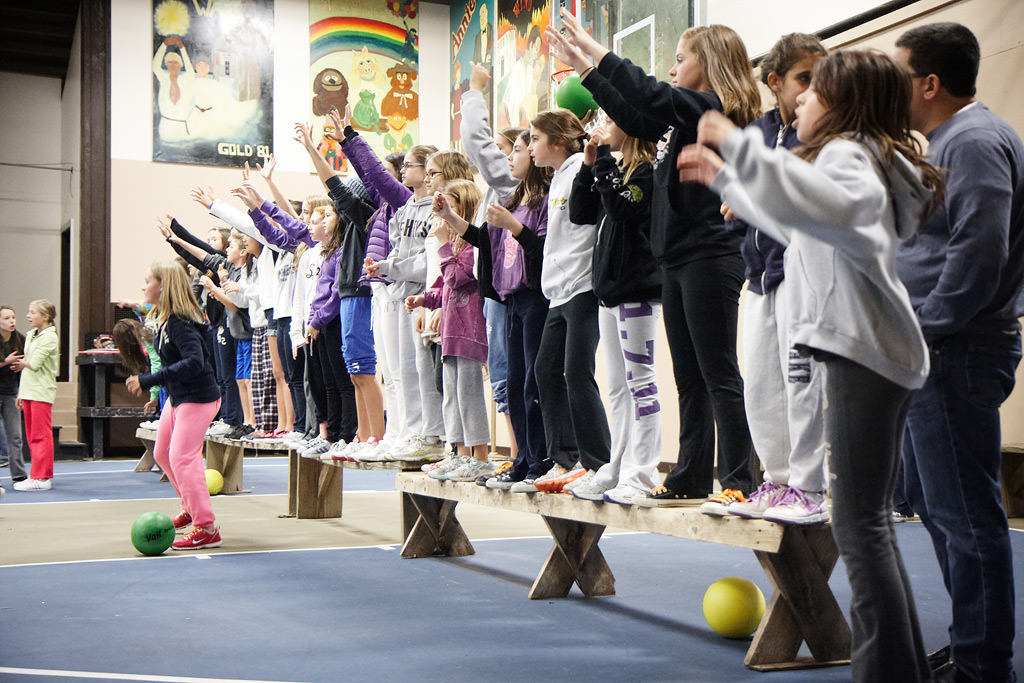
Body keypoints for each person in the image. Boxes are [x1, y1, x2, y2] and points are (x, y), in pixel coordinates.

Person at [678, 49, 943, 683]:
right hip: (876, 353)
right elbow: (804, 223)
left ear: (843, 106)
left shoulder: (850, 155)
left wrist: (740, 147)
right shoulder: (864, 159)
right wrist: (729, 181)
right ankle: (898, 668)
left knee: (860, 528)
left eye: (813, 92)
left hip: (866, 353)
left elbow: (825, 201)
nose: (798, 102)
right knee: (868, 526)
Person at [547, 12, 760, 506]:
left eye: (680, 58)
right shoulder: (679, 120)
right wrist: (586, 73)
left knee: (719, 370)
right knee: (688, 374)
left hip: (711, 254)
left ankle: (739, 478)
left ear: (708, 65)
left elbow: (650, 97)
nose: (672, 66)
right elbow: (637, 114)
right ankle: (689, 474)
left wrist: (598, 53)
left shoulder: (711, 108)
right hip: (678, 259)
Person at [893, 23, 1024, 683]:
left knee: (965, 512)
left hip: (952, 348)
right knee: (930, 495)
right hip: (940, 345)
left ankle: (982, 661)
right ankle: (974, 642)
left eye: (898, 75)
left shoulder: (971, 142)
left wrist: (926, 328)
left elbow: (978, 251)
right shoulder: (948, 141)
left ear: (930, 84)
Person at [721, 33, 830, 523]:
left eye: (818, 78)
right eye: (803, 78)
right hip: (758, 274)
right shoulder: (759, 132)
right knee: (760, 382)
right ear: (775, 82)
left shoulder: (823, 132)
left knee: (801, 379)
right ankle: (777, 479)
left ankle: (810, 485)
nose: (811, 88)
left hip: (801, 274)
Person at [567, 116, 663, 505]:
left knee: (641, 382)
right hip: (609, 292)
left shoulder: (645, 173)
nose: (602, 125)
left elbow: (624, 209)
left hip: (635, 290)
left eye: (611, 120)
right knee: (618, 387)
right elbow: (580, 212)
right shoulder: (615, 169)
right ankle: (620, 465)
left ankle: (642, 472)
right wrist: (589, 164)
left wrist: (604, 158)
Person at [525, 108, 610, 495]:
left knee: (577, 372)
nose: (529, 146)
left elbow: (587, 226)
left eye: (534, 138)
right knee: (545, 371)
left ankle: (598, 462)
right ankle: (565, 456)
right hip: (558, 290)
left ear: (558, 141)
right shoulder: (557, 176)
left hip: (583, 287)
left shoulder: (581, 168)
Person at [126, 262, 223, 550]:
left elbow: (195, 362)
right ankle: (191, 508)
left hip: (199, 398)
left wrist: (149, 379)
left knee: (182, 457)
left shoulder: (180, 321)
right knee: (162, 452)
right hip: (179, 397)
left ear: (163, 286)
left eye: (147, 281)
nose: (144, 287)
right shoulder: (165, 319)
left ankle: (206, 527)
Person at [414, 179, 494, 482]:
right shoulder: (454, 245)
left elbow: (459, 278)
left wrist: (444, 244)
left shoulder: (470, 244)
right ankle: (460, 453)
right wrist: (424, 299)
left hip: (469, 330)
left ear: (464, 208)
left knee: (469, 395)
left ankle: (481, 457)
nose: (441, 213)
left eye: (448, 206)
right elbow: (444, 288)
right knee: (451, 396)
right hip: (449, 332)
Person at [13, 299, 59, 491]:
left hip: (41, 391)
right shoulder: (32, 334)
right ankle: (35, 474)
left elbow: (35, 363)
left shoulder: (50, 336)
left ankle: (42, 477)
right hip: (29, 390)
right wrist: (21, 394)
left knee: (41, 435)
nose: (28, 316)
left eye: (32, 313)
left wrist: (22, 362)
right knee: (32, 435)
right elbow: (28, 366)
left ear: (45, 317)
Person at [0, 305, 27, 483]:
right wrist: (5, 362)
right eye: (6, 318)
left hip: (11, 392)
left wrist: (22, 393)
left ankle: (19, 474)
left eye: (13, 317)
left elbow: (25, 368)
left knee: (15, 436)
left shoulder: (20, 339)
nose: (11, 321)